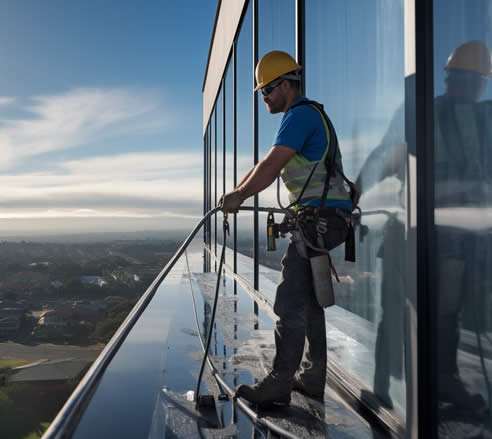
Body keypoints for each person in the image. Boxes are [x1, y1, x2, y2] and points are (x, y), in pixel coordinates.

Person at [219, 50, 352, 406]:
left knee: (290, 299)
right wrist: (236, 193)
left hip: (318, 219)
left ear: (284, 85)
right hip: (324, 218)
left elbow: (273, 164)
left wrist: (240, 195)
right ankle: (311, 378)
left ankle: (280, 383)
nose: (263, 97)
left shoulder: (300, 115)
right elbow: (266, 163)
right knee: (308, 303)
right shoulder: (306, 115)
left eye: (266, 91)